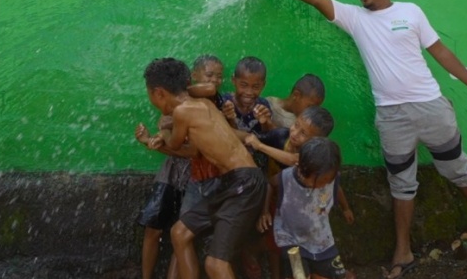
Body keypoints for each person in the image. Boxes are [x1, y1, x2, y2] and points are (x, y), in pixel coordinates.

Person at [250, 0, 467, 277]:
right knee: (402, 182)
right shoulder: (355, 18)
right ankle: (402, 249)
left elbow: (440, 52)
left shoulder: (411, 12)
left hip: (431, 106)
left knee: (459, 168)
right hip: (392, 117)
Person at [143, 57, 266, 279]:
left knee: (215, 264)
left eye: (150, 94)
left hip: (244, 182)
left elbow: (175, 146)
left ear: (159, 92)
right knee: (179, 233)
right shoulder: (203, 102)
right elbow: (195, 151)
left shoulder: (182, 112)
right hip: (236, 181)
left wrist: (158, 137)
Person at [243, 105, 338, 279]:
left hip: (301, 208)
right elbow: (254, 138)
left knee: (282, 245)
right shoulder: (282, 136)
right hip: (276, 199)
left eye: (304, 134)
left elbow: (296, 160)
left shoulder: (313, 159)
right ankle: (255, 256)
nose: (294, 133)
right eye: (296, 126)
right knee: (275, 242)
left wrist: (260, 146)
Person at [257, 137, 354, 279]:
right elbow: (270, 184)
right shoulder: (286, 178)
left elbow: (336, 188)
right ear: (303, 169)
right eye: (321, 180)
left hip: (321, 238)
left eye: (329, 180)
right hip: (290, 238)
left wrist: (346, 208)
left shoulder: (331, 179)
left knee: (334, 275)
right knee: (299, 275)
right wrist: (265, 211)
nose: (326, 183)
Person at [170, 54, 226, 279]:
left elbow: (209, 91)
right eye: (210, 75)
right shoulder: (185, 104)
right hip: (197, 178)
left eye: (219, 76)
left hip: (219, 179)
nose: (215, 81)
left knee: (214, 245)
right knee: (180, 237)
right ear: (194, 76)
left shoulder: (218, 99)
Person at [135, 117, 190, 279]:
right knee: (152, 227)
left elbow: (191, 150)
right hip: (170, 173)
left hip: (196, 177)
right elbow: (164, 123)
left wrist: (149, 140)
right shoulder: (176, 101)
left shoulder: (211, 104)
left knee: (182, 236)